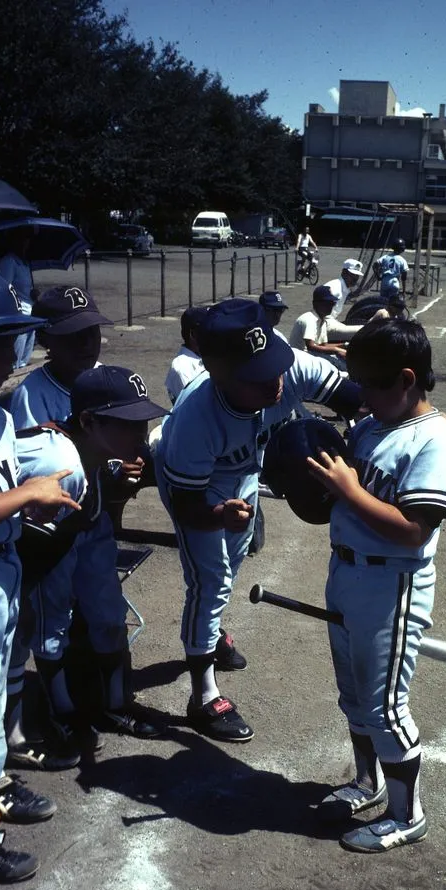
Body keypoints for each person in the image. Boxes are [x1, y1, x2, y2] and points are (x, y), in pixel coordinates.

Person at [154, 298, 361, 744]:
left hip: (243, 471)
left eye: (275, 366)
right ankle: (203, 698)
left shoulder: (286, 368)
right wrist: (217, 514)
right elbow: (189, 505)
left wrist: (420, 419)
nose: (275, 382)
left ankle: (212, 631)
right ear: (218, 371)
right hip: (197, 487)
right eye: (257, 374)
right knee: (209, 581)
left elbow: (357, 398)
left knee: (235, 561)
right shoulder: (195, 419)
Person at [306, 317, 446, 853]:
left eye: (371, 385)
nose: (362, 396)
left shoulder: (436, 444)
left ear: (405, 378)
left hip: (391, 585)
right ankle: (367, 782)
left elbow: (413, 531)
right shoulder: (376, 424)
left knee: (384, 706)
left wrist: (350, 493)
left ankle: (406, 814)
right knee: (353, 696)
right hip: (346, 574)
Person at [10, 366, 168, 758]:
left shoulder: (92, 450)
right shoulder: (59, 465)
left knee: (108, 613)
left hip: (82, 521)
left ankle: (114, 706)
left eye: (142, 422)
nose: (140, 433)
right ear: (88, 421)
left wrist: (115, 485)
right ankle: (62, 712)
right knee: (49, 621)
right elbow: (35, 555)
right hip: (24, 541)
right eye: (128, 424)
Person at [0, 273, 82, 889]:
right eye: (2, 341)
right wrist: (25, 493)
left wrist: (29, 498)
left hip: (2, 564)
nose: (14, 353)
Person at [9, 285, 109, 429]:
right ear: (44, 339)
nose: (87, 343)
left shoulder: (107, 378)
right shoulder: (31, 397)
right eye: (74, 334)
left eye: (92, 330)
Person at [289, 285, 363, 371]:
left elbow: (323, 345)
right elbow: (311, 346)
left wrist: (344, 345)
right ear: (316, 304)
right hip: (300, 360)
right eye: (328, 303)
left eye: (333, 303)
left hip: (312, 356)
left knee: (346, 360)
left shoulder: (322, 320)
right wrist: (336, 350)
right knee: (343, 367)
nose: (331, 306)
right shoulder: (309, 319)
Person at [0, 226, 37, 369]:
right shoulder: (9, 262)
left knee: (26, 356)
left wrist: (34, 293)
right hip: (17, 314)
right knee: (15, 356)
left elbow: (26, 289)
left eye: (27, 240)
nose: (26, 243)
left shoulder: (25, 263)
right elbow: (4, 288)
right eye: (22, 239)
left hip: (30, 312)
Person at [165, 306, 206, 405]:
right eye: (208, 330)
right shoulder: (182, 368)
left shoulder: (209, 356)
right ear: (193, 334)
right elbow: (197, 408)